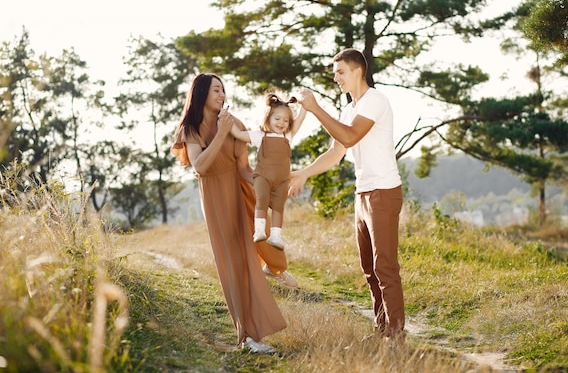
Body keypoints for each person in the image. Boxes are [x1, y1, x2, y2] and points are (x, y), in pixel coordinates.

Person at [171, 73, 295, 354]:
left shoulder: (234, 123)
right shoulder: (190, 128)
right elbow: (200, 166)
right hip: (215, 197)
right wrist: (222, 132)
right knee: (233, 264)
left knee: (251, 253)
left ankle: (275, 267)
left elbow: (243, 168)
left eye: (223, 90)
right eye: (216, 90)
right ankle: (248, 336)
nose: (222, 95)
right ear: (201, 94)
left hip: (240, 191)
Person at [289, 48, 405, 341]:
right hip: (362, 194)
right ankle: (383, 330)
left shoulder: (375, 100)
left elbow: (351, 136)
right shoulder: (349, 109)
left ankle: (397, 336)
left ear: (357, 71)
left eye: (340, 71)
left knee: (385, 267)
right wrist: (304, 173)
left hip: (383, 192)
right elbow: (336, 152)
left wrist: (315, 109)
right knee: (369, 269)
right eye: (334, 72)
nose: (335, 77)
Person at [230, 92, 307, 250]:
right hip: (262, 177)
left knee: (279, 207)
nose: (282, 123)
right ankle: (259, 230)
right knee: (262, 199)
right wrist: (226, 118)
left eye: (286, 120)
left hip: (282, 180)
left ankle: (276, 236)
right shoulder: (260, 136)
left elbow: (300, 119)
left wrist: (306, 107)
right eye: (277, 119)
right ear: (268, 118)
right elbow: (237, 134)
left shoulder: (288, 136)